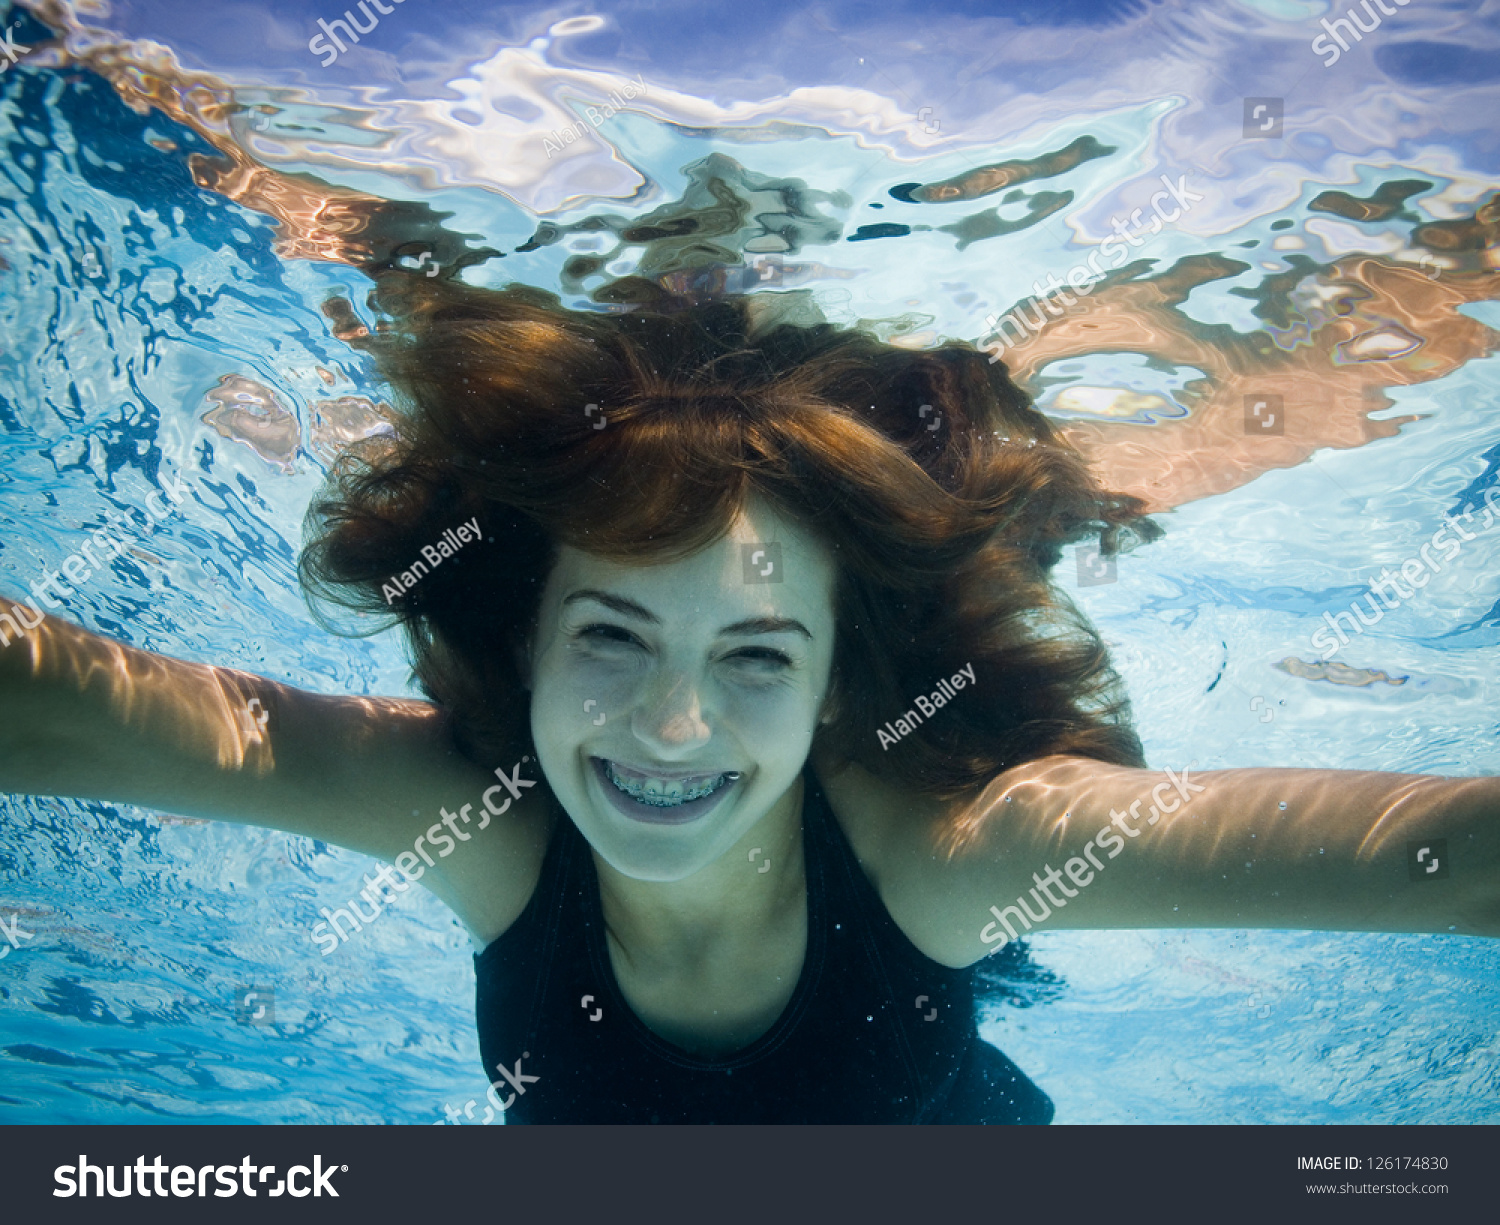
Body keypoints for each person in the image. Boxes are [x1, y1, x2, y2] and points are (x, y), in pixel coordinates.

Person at [1, 278, 1495, 1124]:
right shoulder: (488, 812)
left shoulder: (951, 851)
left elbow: (1410, 852)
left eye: (756, 656)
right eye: (614, 635)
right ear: (524, 640)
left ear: (842, 682)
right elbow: (76, 708)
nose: (669, 725)